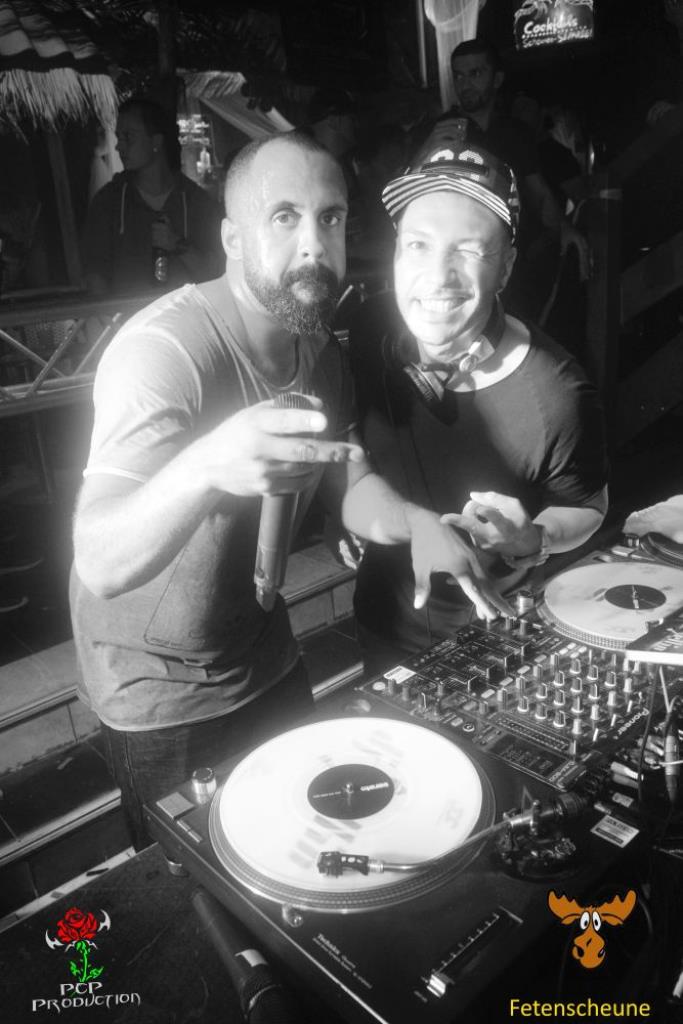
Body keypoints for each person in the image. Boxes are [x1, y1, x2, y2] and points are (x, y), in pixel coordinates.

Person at [70, 130, 508, 850]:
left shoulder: (319, 350)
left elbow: (350, 480)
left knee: (310, 844)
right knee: (199, 887)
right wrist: (210, 462)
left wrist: (419, 524)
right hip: (162, 693)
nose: (313, 245)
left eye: (330, 218)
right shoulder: (164, 350)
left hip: (265, 651)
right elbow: (100, 560)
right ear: (231, 239)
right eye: (284, 217)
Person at [347, 138, 609, 674]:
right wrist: (344, 513)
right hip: (382, 628)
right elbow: (354, 454)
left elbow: (590, 505)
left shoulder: (558, 391)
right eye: (417, 245)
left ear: (506, 268)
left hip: (499, 645)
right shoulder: (369, 332)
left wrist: (534, 538)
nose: (437, 276)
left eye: (468, 251)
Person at [443, 39, 588, 319]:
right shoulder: (440, 131)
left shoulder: (515, 132)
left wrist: (564, 229)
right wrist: (426, 149)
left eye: (475, 73)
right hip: (462, 262)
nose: (465, 84)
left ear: (497, 79)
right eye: (458, 76)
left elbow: (539, 192)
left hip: (515, 264)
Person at [81, 97, 223, 296]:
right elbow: (95, 275)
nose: (119, 146)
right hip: (128, 315)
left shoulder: (196, 202)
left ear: (156, 141)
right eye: (119, 137)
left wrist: (177, 244)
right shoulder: (109, 202)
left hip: (186, 314)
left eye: (128, 136)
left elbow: (216, 275)